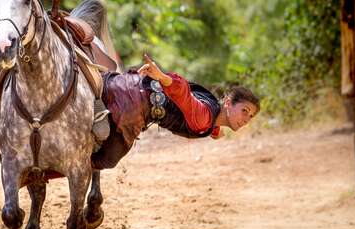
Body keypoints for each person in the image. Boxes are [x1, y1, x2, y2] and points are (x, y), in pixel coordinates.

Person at [91, 54, 260, 170]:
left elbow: (199, 112)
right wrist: (163, 77)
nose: (247, 119)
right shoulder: (204, 118)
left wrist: (214, 130)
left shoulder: (212, 113)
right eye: (244, 111)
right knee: (106, 160)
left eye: (251, 116)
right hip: (130, 104)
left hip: (130, 87)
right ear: (229, 103)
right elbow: (184, 95)